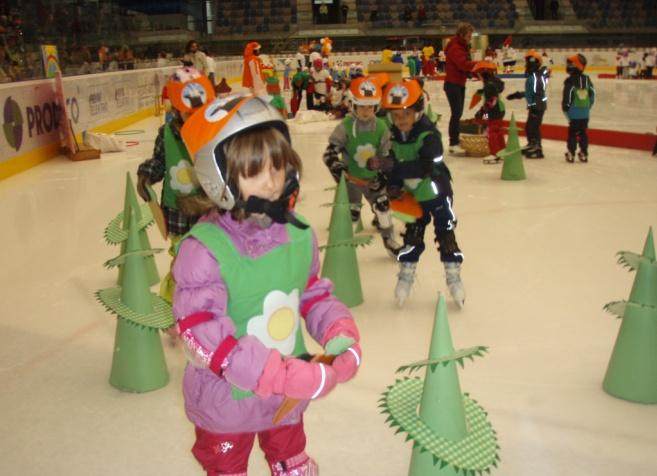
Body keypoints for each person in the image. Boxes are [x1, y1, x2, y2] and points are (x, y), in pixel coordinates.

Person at [174, 94, 362, 476]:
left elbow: (309, 294)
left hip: (285, 398)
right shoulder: (203, 251)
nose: (273, 179)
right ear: (220, 181)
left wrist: (338, 331)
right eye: (255, 171)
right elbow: (202, 335)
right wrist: (276, 375)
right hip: (226, 404)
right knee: (226, 467)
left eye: (278, 165)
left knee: (290, 455)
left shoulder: (298, 233)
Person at [381, 79, 466, 308]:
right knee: (412, 238)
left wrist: (393, 168)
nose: (400, 121)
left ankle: (453, 275)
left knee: (446, 236)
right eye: (396, 116)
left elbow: (425, 166)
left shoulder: (429, 136)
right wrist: (394, 185)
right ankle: (406, 275)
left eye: (405, 115)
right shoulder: (395, 136)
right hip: (415, 199)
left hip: (437, 195)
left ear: (418, 112)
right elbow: (398, 166)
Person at [136, 67, 216, 303]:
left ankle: (207, 303)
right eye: (187, 114)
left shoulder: (213, 134)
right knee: (182, 262)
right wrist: (146, 176)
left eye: (199, 113)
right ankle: (174, 305)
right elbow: (160, 162)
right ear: (177, 109)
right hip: (177, 211)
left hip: (208, 210)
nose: (193, 119)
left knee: (209, 260)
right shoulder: (166, 134)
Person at [322, 76, 402, 257]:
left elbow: (388, 155)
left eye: (370, 107)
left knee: (383, 205)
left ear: (376, 107)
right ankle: (343, 248)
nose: (366, 111)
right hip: (352, 180)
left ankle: (389, 240)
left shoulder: (381, 127)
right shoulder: (345, 126)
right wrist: (336, 166)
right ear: (353, 105)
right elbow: (329, 152)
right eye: (362, 106)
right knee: (352, 214)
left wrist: (385, 174)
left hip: (373, 179)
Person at [506, 49, 549, 158]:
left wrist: (535, 105)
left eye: (528, 63)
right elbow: (530, 92)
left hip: (537, 106)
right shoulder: (534, 76)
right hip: (536, 106)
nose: (526, 65)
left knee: (533, 127)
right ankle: (532, 144)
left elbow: (537, 93)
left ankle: (537, 148)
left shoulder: (536, 77)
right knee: (530, 127)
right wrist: (518, 95)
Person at [443, 23, 476, 156]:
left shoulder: (461, 47)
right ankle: (453, 143)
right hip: (452, 85)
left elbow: (465, 67)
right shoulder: (456, 47)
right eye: (469, 36)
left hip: (458, 84)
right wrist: (479, 65)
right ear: (462, 35)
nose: (470, 38)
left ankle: (454, 142)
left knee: (458, 113)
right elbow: (463, 64)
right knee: (456, 114)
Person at [562, 53, 595, 163]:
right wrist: (587, 107)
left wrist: (565, 108)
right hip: (585, 113)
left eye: (570, 64)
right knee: (583, 133)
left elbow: (567, 96)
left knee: (572, 133)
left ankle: (571, 153)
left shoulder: (570, 81)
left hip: (573, 113)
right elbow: (592, 95)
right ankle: (584, 153)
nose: (568, 66)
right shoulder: (587, 79)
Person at [472, 61, 506, 165]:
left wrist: (481, 112)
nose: (478, 77)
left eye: (478, 75)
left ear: (483, 74)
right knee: (497, 131)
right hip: (499, 110)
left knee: (492, 132)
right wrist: (484, 116)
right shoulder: (492, 83)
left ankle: (495, 153)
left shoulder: (489, 86)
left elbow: (491, 101)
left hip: (494, 112)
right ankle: (502, 151)